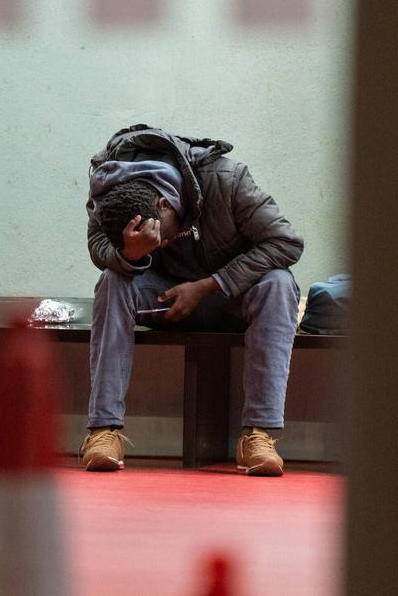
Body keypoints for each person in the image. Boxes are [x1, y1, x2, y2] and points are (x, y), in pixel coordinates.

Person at [81, 124, 303, 476]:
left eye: (160, 236)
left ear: (164, 203)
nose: (161, 245)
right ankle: (103, 432)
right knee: (112, 280)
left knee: (279, 283)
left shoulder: (226, 179)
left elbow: (286, 242)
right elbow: (98, 246)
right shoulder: (110, 190)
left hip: (231, 296)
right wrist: (131, 254)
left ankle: (259, 435)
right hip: (164, 298)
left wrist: (209, 285)